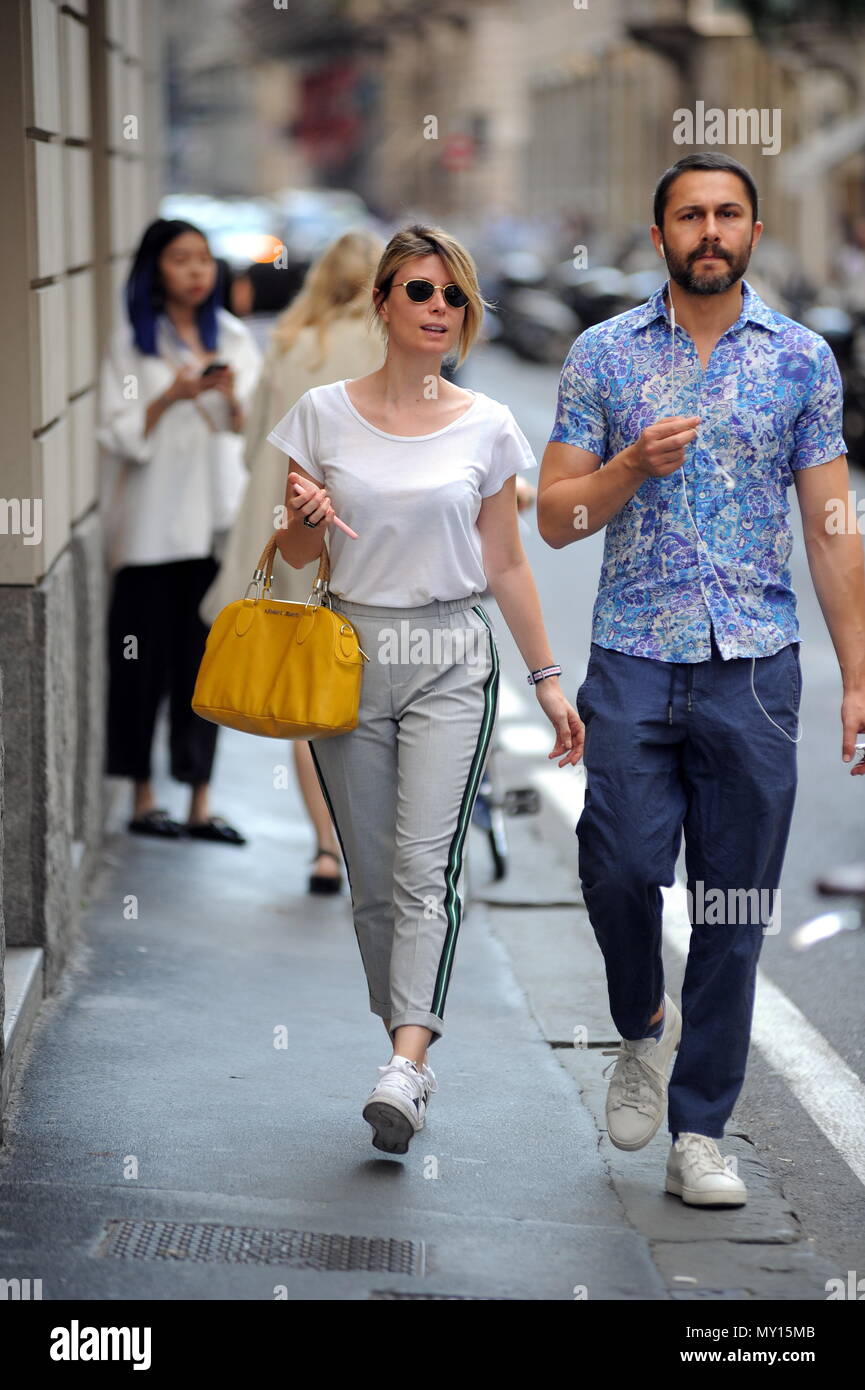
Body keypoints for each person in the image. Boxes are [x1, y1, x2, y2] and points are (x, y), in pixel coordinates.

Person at [539, 151, 865, 1207]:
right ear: (660, 232)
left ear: (753, 234)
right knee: (622, 867)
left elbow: (829, 528)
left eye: (728, 213)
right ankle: (638, 1020)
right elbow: (554, 518)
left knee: (733, 908)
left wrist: (856, 675)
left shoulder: (802, 361)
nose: (710, 229)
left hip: (756, 673)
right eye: (690, 214)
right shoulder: (601, 355)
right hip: (635, 654)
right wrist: (628, 465)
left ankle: (699, 1132)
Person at [265, 223, 584, 1154]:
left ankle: (406, 1066)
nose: (439, 308)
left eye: (454, 295)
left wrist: (549, 681)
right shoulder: (321, 414)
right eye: (420, 292)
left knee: (422, 867)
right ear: (382, 304)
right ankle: (398, 1034)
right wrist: (300, 519)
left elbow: (508, 562)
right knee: (372, 878)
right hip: (348, 652)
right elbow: (294, 555)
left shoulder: (486, 424)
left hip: (451, 652)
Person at [199, 230, 387, 893]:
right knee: (373, 690)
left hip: (289, 528)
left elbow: (254, 448)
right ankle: (374, 840)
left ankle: (325, 847)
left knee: (307, 688)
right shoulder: (389, 345)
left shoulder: (286, 343)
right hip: (371, 539)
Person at [97, 218, 262, 843]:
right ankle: (141, 797)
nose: (197, 271)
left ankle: (200, 801)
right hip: (148, 530)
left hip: (216, 527)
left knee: (207, 667)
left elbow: (253, 432)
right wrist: (171, 394)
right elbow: (117, 433)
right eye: (180, 260)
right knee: (139, 664)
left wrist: (228, 400)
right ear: (155, 270)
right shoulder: (132, 344)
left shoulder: (239, 338)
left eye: (203, 259)